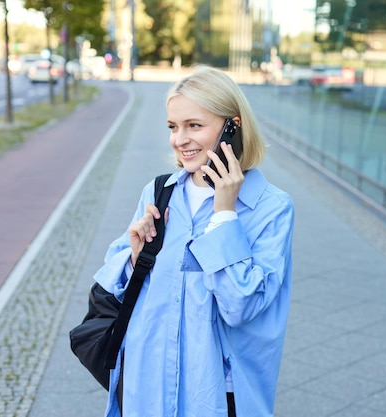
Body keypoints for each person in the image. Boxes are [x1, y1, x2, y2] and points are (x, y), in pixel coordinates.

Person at [93, 65, 294, 417]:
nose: (179, 139)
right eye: (173, 127)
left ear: (233, 127)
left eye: (194, 126)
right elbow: (115, 282)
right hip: (147, 381)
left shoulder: (271, 208)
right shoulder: (160, 192)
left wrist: (225, 214)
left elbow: (241, 307)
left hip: (214, 391)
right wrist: (134, 258)